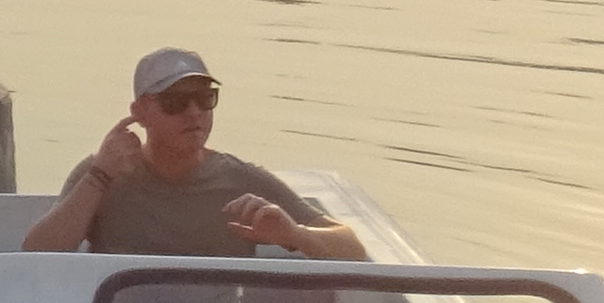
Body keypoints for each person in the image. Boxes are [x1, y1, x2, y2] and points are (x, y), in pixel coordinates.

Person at [21, 47, 363, 258]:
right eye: (175, 101)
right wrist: (98, 177)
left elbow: (352, 249)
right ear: (140, 112)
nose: (194, 112)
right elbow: (35, 256)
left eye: (205, 98)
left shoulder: (240, 179)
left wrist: (293, 234)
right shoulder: (101, 175)